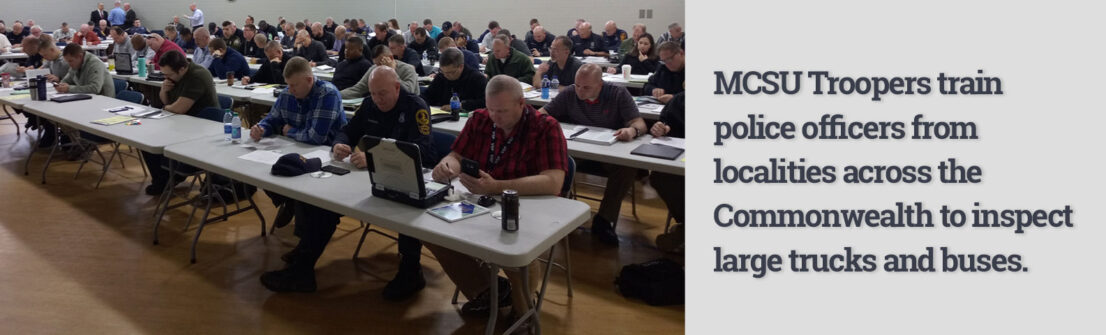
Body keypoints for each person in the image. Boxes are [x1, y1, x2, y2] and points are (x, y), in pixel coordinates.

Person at [260, 66, 434, 296]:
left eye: (382, 93)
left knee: (408, 208)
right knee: (324, 201)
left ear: (396, 87)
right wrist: (339, 144)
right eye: (372, 93)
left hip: (410, 178)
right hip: (367, 177)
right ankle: (303, 266)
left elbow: (422, 151)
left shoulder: (416, 107)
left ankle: (411, 272)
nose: (377, 99)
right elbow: (348, 130)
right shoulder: (370, 104)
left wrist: (374, 157)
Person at [428, 74, 568, 317]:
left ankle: (522, 312)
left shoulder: (546, 127)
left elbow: (553, 181)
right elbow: (456, 156)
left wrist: (496, 187)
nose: (494, 117)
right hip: (482, 200)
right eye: (491, 109)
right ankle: (488, 292)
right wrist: (447, 165)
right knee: (432, 232)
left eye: (502, 111)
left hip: (526, 207)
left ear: (522, 104)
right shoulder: (480, 119)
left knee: (516, 255)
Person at [538, 64, 645, 245]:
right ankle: (556, 209)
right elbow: (542, 114)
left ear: (600, 84)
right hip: (580, 148)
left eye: (586, 87)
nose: (580, 90)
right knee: (553, 158)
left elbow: (639, 122)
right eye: (577, 85)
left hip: (609, 150)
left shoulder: (618, 94)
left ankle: (604, 219)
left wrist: (632, 131)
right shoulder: (571, 92)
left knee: (627, 167)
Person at [249, 57, 348, 235]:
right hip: (293, 150)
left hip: (325, 157)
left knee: (298, 185)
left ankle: (299, 219)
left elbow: (316, 137)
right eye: (288, 85)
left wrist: (289, 131)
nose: (290, 90)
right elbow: (273, 118)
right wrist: (262, 128)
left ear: (309, 80)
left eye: (294, 85)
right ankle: (289, 202)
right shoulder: (288, 93)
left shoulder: (327, 94)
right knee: (262, 172)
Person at [140, 50, 220, 195]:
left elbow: (178, 108)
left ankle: (168, 178)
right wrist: (163, 92)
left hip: (203, 129)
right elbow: (170, 104)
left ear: (182, 69)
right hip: (182, 124)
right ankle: (163, 179)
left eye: (169, 74)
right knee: (146, 141)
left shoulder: (197, 76)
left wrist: (165, 107)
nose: (166, 78)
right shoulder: (176, 77)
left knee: (154, 141)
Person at [649, 92, 685, 252]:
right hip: (681, 156)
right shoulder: (681, 99)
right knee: (660, 176)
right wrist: (662, 129)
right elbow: (667, 123)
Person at [341, 44, 418, 99]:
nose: (378, 68)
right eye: (376, 64)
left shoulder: (408, 69)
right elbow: (358, 89)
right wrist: (337, 94)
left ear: (390, 58)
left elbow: (408, 93)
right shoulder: (374, 68)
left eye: (381, 63)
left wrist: (392, 71)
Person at [422, 48, 487, 112]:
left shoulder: (477, 79)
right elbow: (427, 96)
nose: (446, 75)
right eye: (443, 71)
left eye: (451, 72)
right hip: (443, 117)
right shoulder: (441, 77)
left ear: (461, 67)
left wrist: (461, 105)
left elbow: (485, 102)